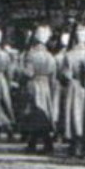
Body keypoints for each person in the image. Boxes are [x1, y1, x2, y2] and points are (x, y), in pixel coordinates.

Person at [19, 25, 57, 154]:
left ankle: (37, 143)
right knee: (42, 114)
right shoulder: (50, 56)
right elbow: (53, 75)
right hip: (45, 85)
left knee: (33, 114)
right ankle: (41, 143)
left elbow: (28, 73)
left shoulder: (31, 55)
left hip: (34, 84)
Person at [60, 24, 85, 157]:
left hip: (74, 86)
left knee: (74, 115)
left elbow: (65, 75)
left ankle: (75, 144)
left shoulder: (69, 55)